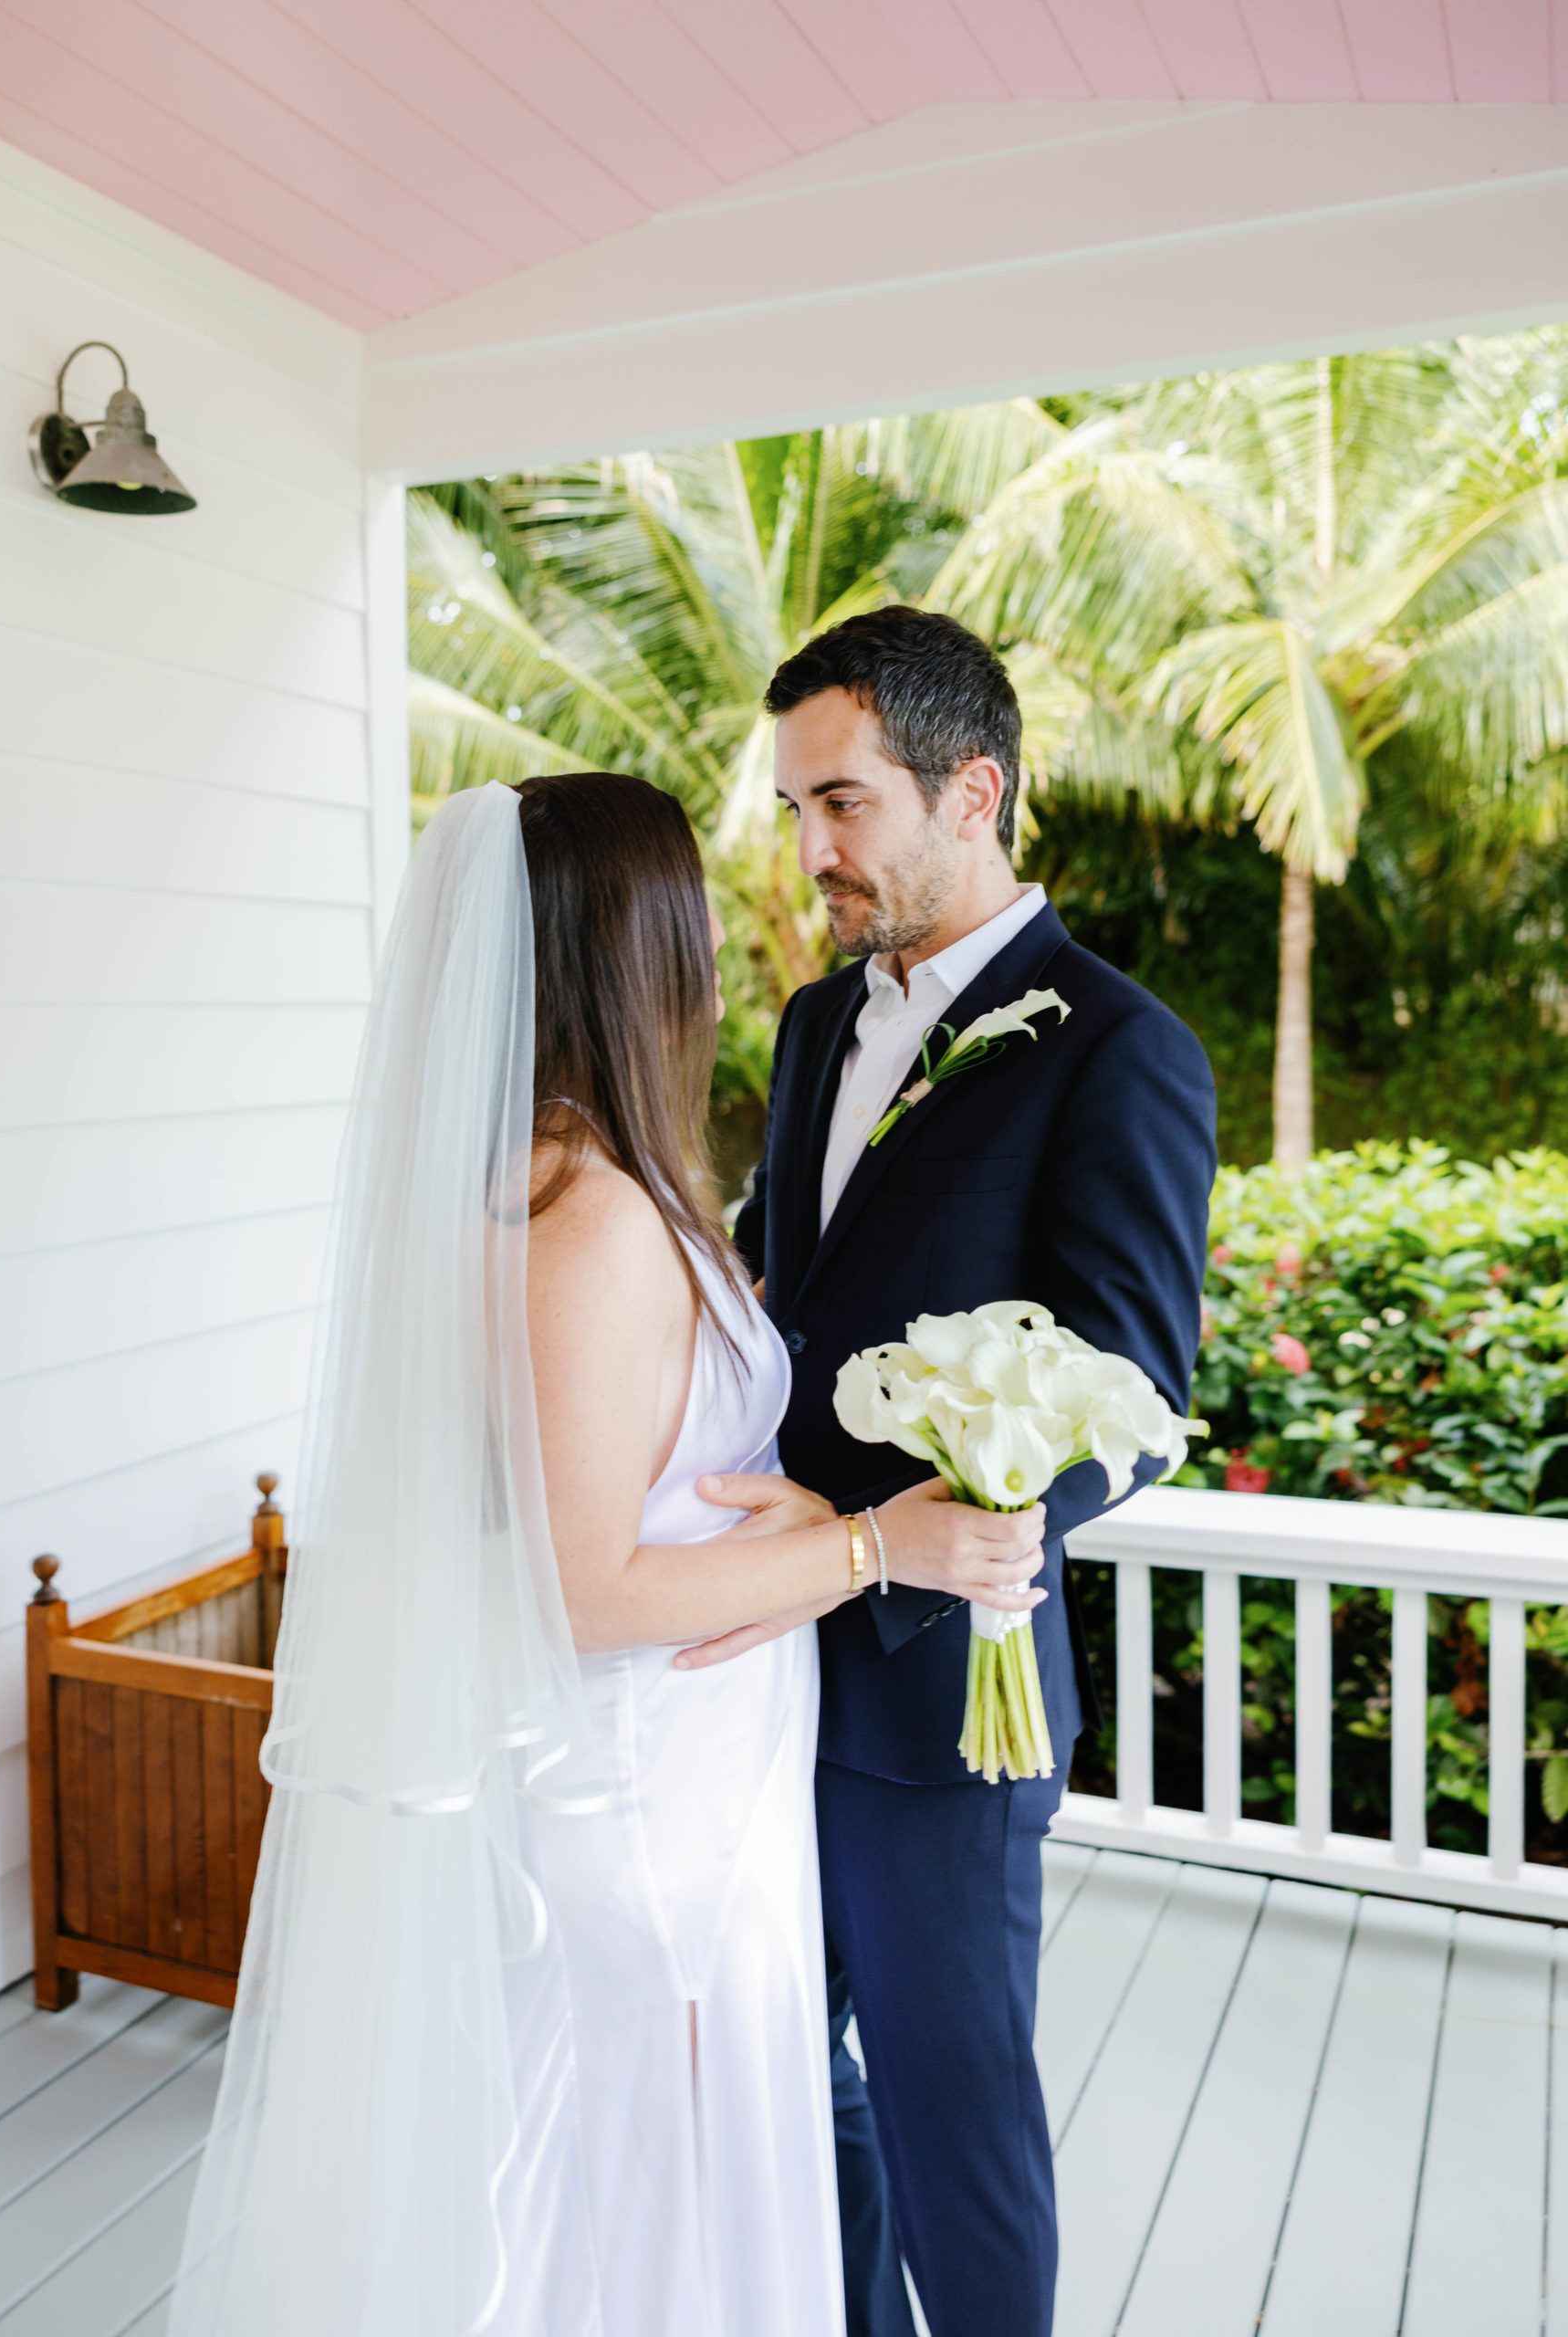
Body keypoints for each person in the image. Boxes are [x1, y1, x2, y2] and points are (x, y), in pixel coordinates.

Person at [168, 770, 1044, 2337]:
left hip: (684, 1795)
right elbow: (580, 1590)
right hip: (646, 1818)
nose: (719, 938)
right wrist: (869, 1545)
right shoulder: (589, 1218)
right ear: (628, 948)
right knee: (647, 2235)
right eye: (691, 908)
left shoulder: (553, 1182)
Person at [691, 608, 1218, 2337]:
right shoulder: (806, 1030)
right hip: (760, 1661)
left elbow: (1130, 1381)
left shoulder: (1119, 1049)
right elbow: (789, 1297)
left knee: (953, 2126)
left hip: (941, 1701)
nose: (810, 849)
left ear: (971, 790)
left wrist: (934, 1530)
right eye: (793, 810)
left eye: (842, 803)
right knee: (786, 2080)